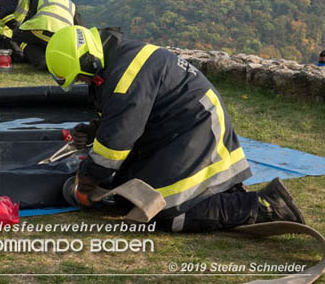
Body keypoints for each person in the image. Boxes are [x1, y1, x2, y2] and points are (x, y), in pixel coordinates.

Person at [45, 26, 306, 232]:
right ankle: (222, 194)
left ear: (89, 61)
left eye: (80, 77)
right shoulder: (118, 57)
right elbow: (131, 113)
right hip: (181, 128)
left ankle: (266, 206)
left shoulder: (125, 76)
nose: (83, 82)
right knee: (130, 195)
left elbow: (115, 144)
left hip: (196, 131)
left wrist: (86, 182)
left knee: (162, 213)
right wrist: (95, 130)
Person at [11, 0, 81, 70]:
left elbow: (30, 16)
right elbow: (80, 26)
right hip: (63, 37)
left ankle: (41, 61)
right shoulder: (71, 4)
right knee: (40, 41)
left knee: (17, 37)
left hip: (42, 28)